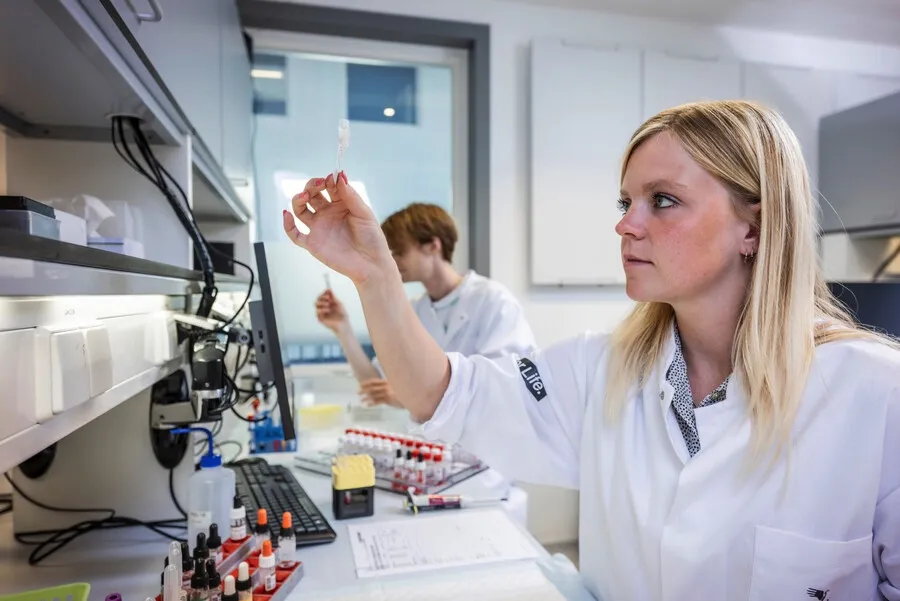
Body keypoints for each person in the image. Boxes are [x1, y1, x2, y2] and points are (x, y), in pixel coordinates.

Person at [282, 100, 900, 600]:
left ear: (755, 227)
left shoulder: (875, 393)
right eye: (625, 201)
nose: (626, 224)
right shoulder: (599, 369)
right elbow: (443, 392)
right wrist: (374, 275)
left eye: (662, 200)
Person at [311, 202, 537, 407]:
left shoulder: (493, 301)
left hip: (484, 445)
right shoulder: (414, 309)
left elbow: (505, 385)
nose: (393, 262)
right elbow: (376, 383)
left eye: (399, 253)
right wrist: (343, 329)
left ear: (432, 245)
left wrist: (406, 395)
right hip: (431, 446)